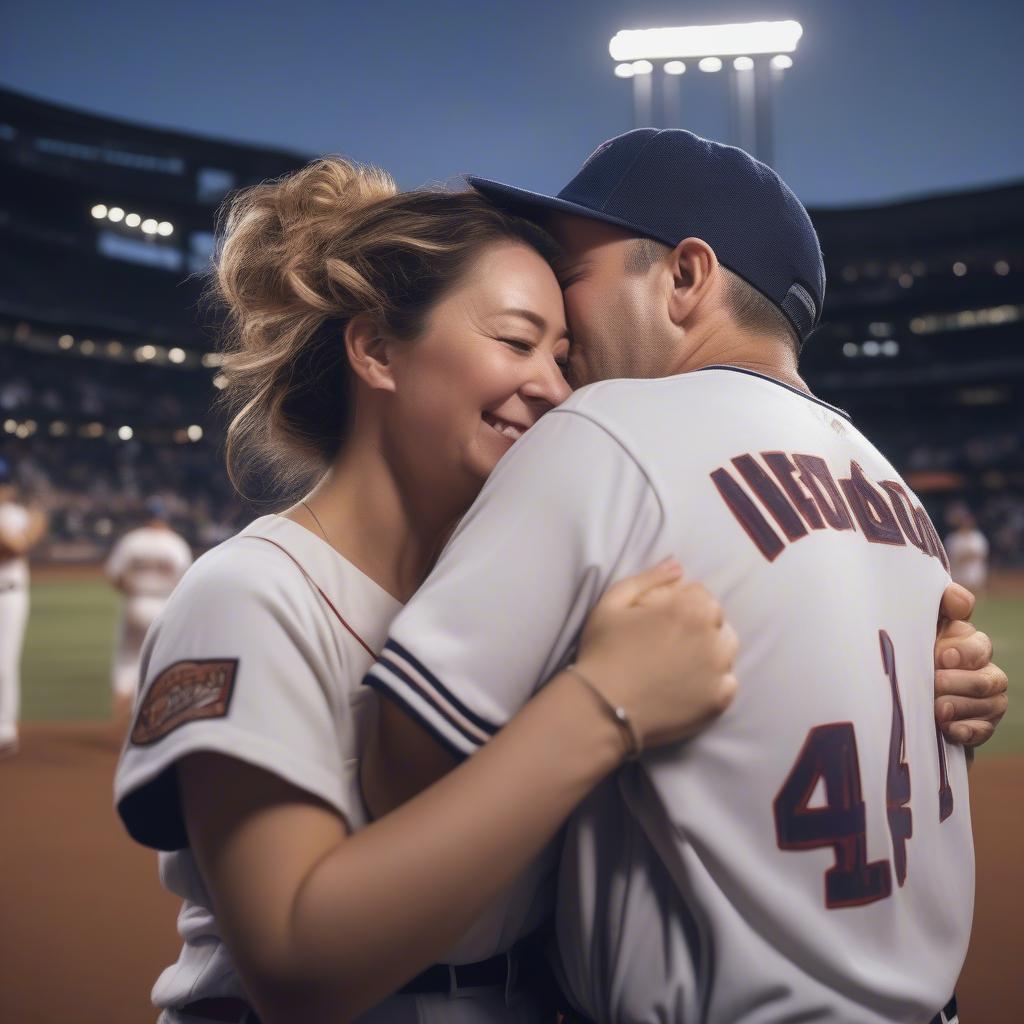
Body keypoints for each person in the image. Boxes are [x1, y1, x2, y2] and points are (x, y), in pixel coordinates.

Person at [361, 130, 1010, 1024]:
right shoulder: (899, 498)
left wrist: (594, 699)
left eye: (569, 269)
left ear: (685, 277)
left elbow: (403, 768)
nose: (556, 299)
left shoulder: (607, 431)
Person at [114, 158, 740, 1024]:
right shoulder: (249, 594)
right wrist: (603, 708)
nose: (555, 389)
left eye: (563, 358)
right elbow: (298, 968)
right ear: (376, 349)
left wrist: (915, 665)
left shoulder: (526, 595)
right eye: (517, 342)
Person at [106, 499, 193, 730]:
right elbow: (185, 582)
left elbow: (115, 576)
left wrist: (132, 591)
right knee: (161, 659)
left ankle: (125, 697)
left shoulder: (132, 541)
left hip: (136, 603)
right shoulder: (176, 543)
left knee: (127, 657)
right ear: (165, 518)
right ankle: (150, 713)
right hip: (164, 607)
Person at [0, 456, 47, 759]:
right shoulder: (19, 516)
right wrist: (33, 524)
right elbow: (16, 545)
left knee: (4, 663)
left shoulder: (16, 514)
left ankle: (4, 730)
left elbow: (18, 546)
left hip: (9, 596)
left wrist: (32, 525)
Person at [946, 508, 990, 593]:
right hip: (959, 576)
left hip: (975, 574)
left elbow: (981, 555)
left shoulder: (977, 537)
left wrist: (966, 555)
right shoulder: (953, 538)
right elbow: (952, 557)